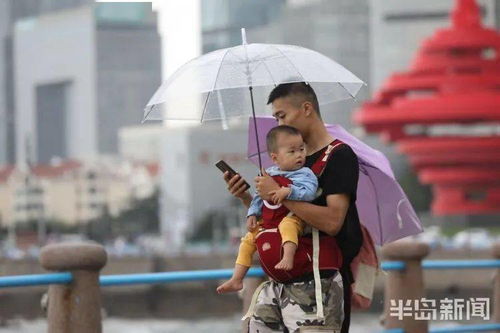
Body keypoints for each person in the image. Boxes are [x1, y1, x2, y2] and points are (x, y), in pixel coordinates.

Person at [223, 82, 362, 332]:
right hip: (281, 282)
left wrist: (280, 195)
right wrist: (247, 198)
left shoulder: (339, 156)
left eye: (281, 115)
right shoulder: (290, 161)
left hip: (321, 283)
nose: (278, 124)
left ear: (306, 108)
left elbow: (333, 221)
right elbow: (274, 217)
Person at [217, 125, 318, 294]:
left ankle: (288, 257)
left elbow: (310, 192)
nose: (300, 154)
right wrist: (252, 214)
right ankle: (237, 279)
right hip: (270, 221)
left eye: (302, 149)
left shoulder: (305, 173)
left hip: (292, 217)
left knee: (288, 226)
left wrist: (289, 191)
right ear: (275, 158)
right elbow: (258, 197)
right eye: (292, 151)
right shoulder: (268, 173)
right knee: (248, 239)